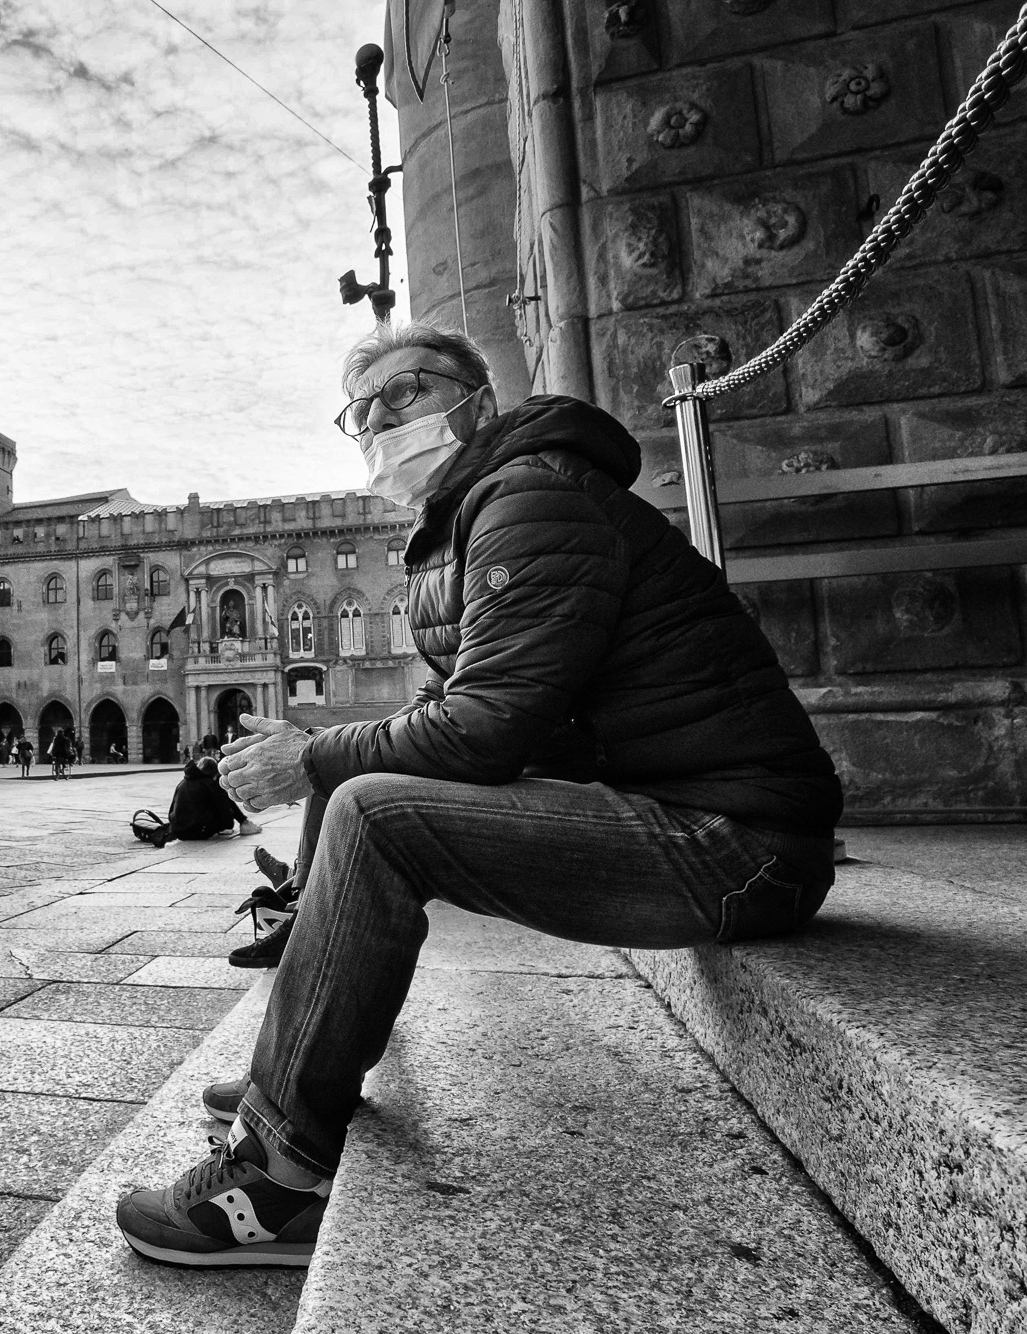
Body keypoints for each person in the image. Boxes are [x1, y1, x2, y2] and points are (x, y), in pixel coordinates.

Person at [114, 322, 843, 1269]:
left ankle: (277, 1180)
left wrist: (315, 757)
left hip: (739, 846)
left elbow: (485, 728)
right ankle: (300, 1071)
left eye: (405, 392)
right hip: (680, 814)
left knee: (370, 807)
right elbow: (458, 714)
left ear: (478, 402)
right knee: (353, 779)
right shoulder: (476, 512)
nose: (382, 420)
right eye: (362, 410)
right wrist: (322, 763)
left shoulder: (532, 498)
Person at [133, 756, 262, 850]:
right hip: (198, 831)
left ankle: (244, 822)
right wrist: (227, 824)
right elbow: (225, 810)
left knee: (219, 793)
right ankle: (244, 823)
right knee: (222, 794)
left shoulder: (183, 782)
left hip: (178, 829)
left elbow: (172, 810)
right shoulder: (209, 784)